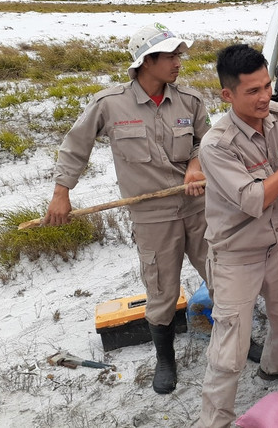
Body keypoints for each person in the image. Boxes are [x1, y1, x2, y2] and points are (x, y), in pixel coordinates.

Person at [43, 22, 210, 394]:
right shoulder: (110, 104)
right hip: (152, 216)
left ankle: (239, 340)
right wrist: (61, 193)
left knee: (222, 276)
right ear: (146, 62)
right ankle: (165, 358)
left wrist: (196, 165)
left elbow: (205, 142)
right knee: (162, 290)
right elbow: (75, 147)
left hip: (198, 208)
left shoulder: (191, 101)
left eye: (179, 54)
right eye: (170, 56)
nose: (178, 62)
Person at [196, 44, 278, 428]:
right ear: (227, 95)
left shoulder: (277, 117)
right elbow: (257, 198)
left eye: (267, 86)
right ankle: (213, 423)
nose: (265, 97)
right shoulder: (216, 146)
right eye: (252, 91)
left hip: (274, 245)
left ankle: (274, 368)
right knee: (229, 354)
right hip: (236, 254)